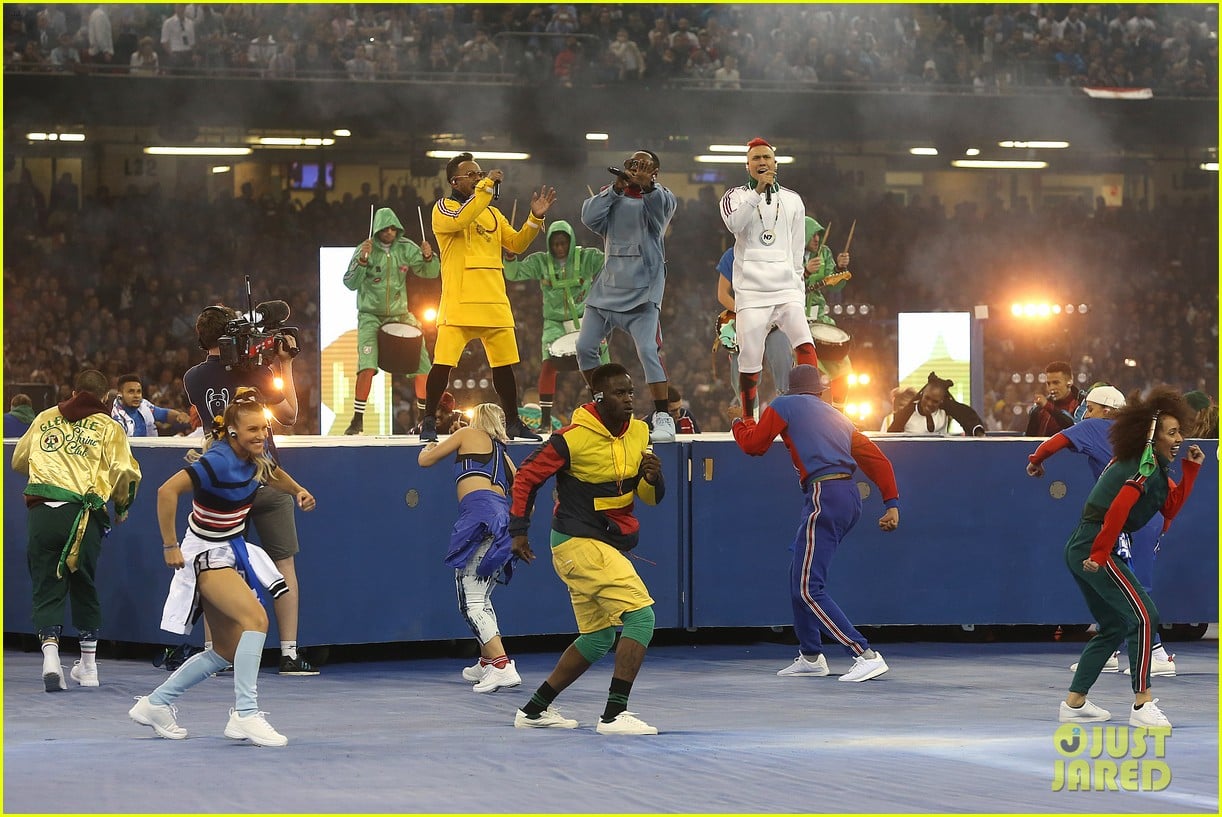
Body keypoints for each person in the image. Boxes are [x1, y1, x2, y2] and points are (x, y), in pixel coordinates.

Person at [129, 396, 316, 746]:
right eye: (252, 429)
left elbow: (271, 472)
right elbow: (167, 491)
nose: (261, 434)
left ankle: (155, 704)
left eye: (264, 428)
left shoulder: (255, 455)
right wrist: (169, 545)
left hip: (228, 549)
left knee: (226, 650)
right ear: (232, 432)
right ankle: (246, 713)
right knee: (256, 620)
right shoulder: (217, 461)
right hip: (205, 554)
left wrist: (297, 491)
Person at [509, 363, 665, 734]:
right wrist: (518, 531)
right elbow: (527, 476)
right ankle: (613, 715)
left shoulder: (640, 432)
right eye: (619, 393)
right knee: (641, 617)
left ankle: (533, 711)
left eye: (631, 392)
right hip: (578, 543)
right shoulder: (571, 438)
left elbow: (649, 498)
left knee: (598, 638)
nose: (629, 399)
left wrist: (653, 478)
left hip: (598, 545)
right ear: (598, 397)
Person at [731, 365, 899, 682]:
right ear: (820, 391)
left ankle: (864, 654)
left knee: (809, 588)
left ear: (788, 389)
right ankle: (811, 655)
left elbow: (754, 445)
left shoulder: (784, 405)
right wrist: (891, 503)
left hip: (824, 494)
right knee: (799, 573)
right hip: (847, 496)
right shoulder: (838, 416)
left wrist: (740, 423)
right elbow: (878, 460)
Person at [1057, 387, 1204, 730]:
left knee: (1114, 626)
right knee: (1145, 615)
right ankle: (1142, 702)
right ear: (1151, 436)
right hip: (1096, 543)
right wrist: (1100, 553)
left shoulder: (1154, 467)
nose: (1179, 439)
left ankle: (1075, 703)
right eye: (1172, 433)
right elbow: (1118, 509)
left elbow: (1169, 508)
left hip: (1088, 544)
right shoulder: (1142, 466)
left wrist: (1191, 470)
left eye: (1179, 432)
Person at [183, 304, 318, 675]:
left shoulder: (193, 377)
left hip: (220, 481)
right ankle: (289, 653)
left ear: (202, 340)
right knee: (283, 564)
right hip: (264, 474)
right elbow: (289, 416)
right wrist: (284, 365)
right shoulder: (256, 373)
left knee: (216, 565)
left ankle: (215, 653)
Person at [1028, 384, 1175, 677]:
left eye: (1091, 408)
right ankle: (1110, 648)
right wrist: (1163, 521)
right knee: (1118, 579)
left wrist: (1035, 462)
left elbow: (1054, 442)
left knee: (1132, 585)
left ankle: (1156, 653)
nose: (1085, 414)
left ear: (1107, 411)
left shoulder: (1095, 427)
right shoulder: (1139, 436)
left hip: (1129, 516)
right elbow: (1166, 484)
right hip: (1146, 515)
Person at [11, 369, 141, 691]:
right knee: (83, 583)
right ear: (106, 397)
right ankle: (89, 667)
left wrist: (48, 469)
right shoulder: (110, 427)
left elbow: (18, 461)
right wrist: (122, 506)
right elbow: (125, 471)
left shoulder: (44, 417)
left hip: (43, 512)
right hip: (84, 514)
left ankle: (51, 659)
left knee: (46, 584)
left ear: (73, 392)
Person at [423, 152, 556, 442]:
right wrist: (485, 188)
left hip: (494, 301)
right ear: (454, 181)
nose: (478, 178)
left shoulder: (493, 214)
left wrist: (535, 218)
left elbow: (516, 244)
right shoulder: (443, 208)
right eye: (471, 174)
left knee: (504, 367)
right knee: (442, 364)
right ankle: (428, 420)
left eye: (480, 174)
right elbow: (462, 219)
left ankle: (513, 422)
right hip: (459, 302)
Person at [418, 403, 521, 693]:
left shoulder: (466, 434)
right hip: (504, 524)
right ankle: (487, 661)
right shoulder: (506, 458)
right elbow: (526, 500)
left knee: (470, 602)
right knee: (482, 598)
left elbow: (425, 461)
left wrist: (429, 445)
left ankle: (501, 665)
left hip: (478, 519)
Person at [578, 150, 678, 442]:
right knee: (584, 347)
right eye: (632, 164)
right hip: (607, 290)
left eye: (644, 166)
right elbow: (588, 217)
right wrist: (615, 188)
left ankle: (662, 416)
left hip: (642, 295)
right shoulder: (612, 195)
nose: (636, 169)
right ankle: (600, 404)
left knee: (648, 350)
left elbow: (660, 216)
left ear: (655, 172)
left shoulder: (662, 197)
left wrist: (647, 187)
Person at [718, 138, 819, 420]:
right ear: (747, 165)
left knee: (805, 343)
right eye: (756, 158)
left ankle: (812, 410)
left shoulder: (793, 200)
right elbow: (735, 224)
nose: (762, 162)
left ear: (775, 163)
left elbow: (796, 249)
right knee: (749, 358)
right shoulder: (734, 197)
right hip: (752, 293)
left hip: (786, 290)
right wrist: (757, 192)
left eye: (766, 157)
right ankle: (749, 418)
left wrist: (797, 289)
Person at [342, 206, 439, 435]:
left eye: (393, 228)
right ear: (377, 230)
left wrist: (429, 257)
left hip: (400, 314)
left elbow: (431, 272)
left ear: (398, 229)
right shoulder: (365, 249)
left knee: (423, 362)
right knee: (367, 366)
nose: (389, 232)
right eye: (385, 229)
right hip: (370, 315)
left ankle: (424, 418)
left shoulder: (405, 247)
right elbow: (349, 283)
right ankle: (357, 420)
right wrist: (362, 261)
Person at [504, 220, 608, 431]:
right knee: (548, 364)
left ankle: (605, 412)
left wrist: (612, 242)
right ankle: (545, 422)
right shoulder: (541, 262)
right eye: (555, 244)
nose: (559, 248)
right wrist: (511, 257)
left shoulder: (586, 257)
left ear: (571, 241)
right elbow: (514, 273)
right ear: (550, 244)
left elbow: (610, 262)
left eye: (563, 243)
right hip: (554, 323)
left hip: (586, 318)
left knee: (602, 365)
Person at [715, 245, 794, 404]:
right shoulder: (732, 255)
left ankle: (786, 413)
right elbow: (722, 294)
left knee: (784, 372)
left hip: (774, 322)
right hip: (746, 324)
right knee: (741, 379)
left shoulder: (777, 252)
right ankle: (751, 415)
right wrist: (745, 311)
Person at [803, 216, 854, 409]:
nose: (817, 238)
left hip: (819, 317)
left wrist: (840, 268)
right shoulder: (788, 253)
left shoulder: (824, 253)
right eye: (813, 235)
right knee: (811, 371)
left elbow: (835, 286)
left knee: (843, 365)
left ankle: (839, 411)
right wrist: (805, 272)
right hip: (793, 318)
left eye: (819, 235)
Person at [884, 372, 986, 436]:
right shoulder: (907, 412)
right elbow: (892, 437)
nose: (929, 403)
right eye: (927, 398)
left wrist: (978, 432)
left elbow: (966, 414)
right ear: (922, 394)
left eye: (935, 401)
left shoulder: (946, 408)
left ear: (941, 401)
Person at [110, 373, 189, 437]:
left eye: (138, 391)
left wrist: (179, 416)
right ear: (120, 394)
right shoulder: (115, 417)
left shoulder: (144, 405)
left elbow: (164, 414)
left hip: (151, 449)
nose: (136, 395)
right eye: (131, 392)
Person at [1026, 361, 1085, 436]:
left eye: (1056, 383)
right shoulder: (1039, 409)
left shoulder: (1083, 403)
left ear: (1069, 382)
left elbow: (1075, 430)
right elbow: (1029, 440)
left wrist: (1048, 406)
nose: (1051, 388)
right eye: (1048, 383)